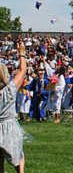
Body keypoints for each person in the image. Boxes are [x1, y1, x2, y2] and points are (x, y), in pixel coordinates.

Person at [0, 41, 27, 173]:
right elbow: (22, 71)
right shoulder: (9, 91)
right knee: (18, 158)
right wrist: (21, 52)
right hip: (9, 127)